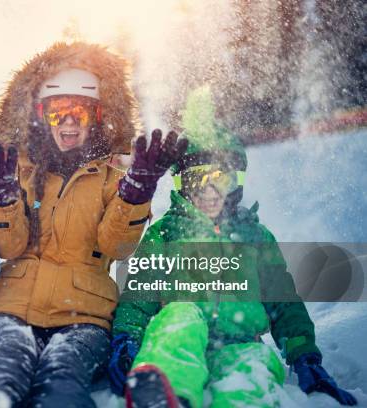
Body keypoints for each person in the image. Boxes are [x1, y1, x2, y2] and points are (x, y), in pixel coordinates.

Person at [0, 42, 187, 407]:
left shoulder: (113, 178)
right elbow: (10, 248)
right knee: (0, 369)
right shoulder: (19, 170)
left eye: (80, 111)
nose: (68, 122)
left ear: (98, 115)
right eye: (57, 112)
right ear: (39, 115)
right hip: (13, 307)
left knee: (62, 375)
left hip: (85, 314)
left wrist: (136, 193)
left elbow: (117, 247)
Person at [109, 87, 357, 407]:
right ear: (182, 184)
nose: (210, 191)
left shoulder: (254, 237)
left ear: (235, 183)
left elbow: (284, 302)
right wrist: (126, 340)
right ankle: (166, 392)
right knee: (176, 320)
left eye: (220, 179)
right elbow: (139, 294)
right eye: (197, 179)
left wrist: (305, 356)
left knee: (252, 367)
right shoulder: (166, 234)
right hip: (183, 331)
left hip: (240, 339)